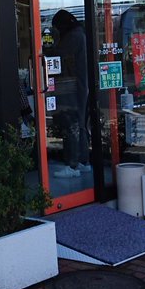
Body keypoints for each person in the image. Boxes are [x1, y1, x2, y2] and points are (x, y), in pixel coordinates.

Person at [51, 10, 90, 173]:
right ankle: (83, 162)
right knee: (80, 123)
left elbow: (57, 55)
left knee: (71, 124)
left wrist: (46, 47)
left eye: (57, 27)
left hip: (73, 86)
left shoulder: (73, 36)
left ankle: (72, 165)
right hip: (81, 84)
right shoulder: (80, 33)